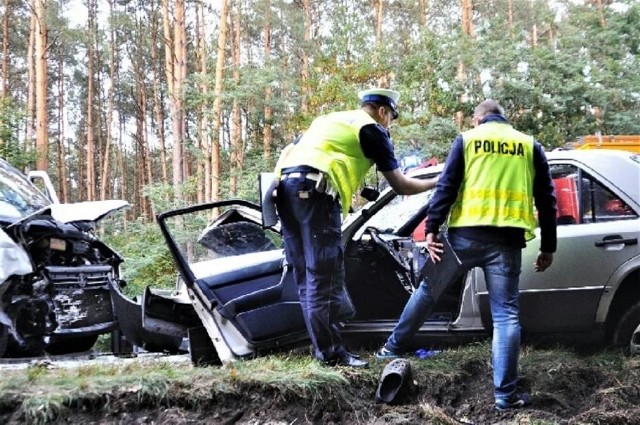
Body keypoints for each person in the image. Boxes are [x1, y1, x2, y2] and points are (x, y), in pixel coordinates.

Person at [376, 100, 557, 409]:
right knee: (506, 316)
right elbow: (547, 198)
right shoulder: (529, 145)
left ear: (477, 120)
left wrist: (432, 227)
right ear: (504, 118)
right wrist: (548, 245)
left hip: (464, 237)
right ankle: (505, 397)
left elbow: (447, 186)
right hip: (507, 241)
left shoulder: (468, 140)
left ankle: (391, 349)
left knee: (428, 290)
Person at [273, 88, 438, 368]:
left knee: (305, 277)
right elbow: (401, 185)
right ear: (383, 111)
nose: (390, 125)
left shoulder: (328, 121)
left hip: (284, 192)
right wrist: (439, 181)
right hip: (316, 194)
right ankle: (331, 354)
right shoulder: (372, 130)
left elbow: (292, 150)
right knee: (321, 277)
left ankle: (324, 349)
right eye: (391, 118)